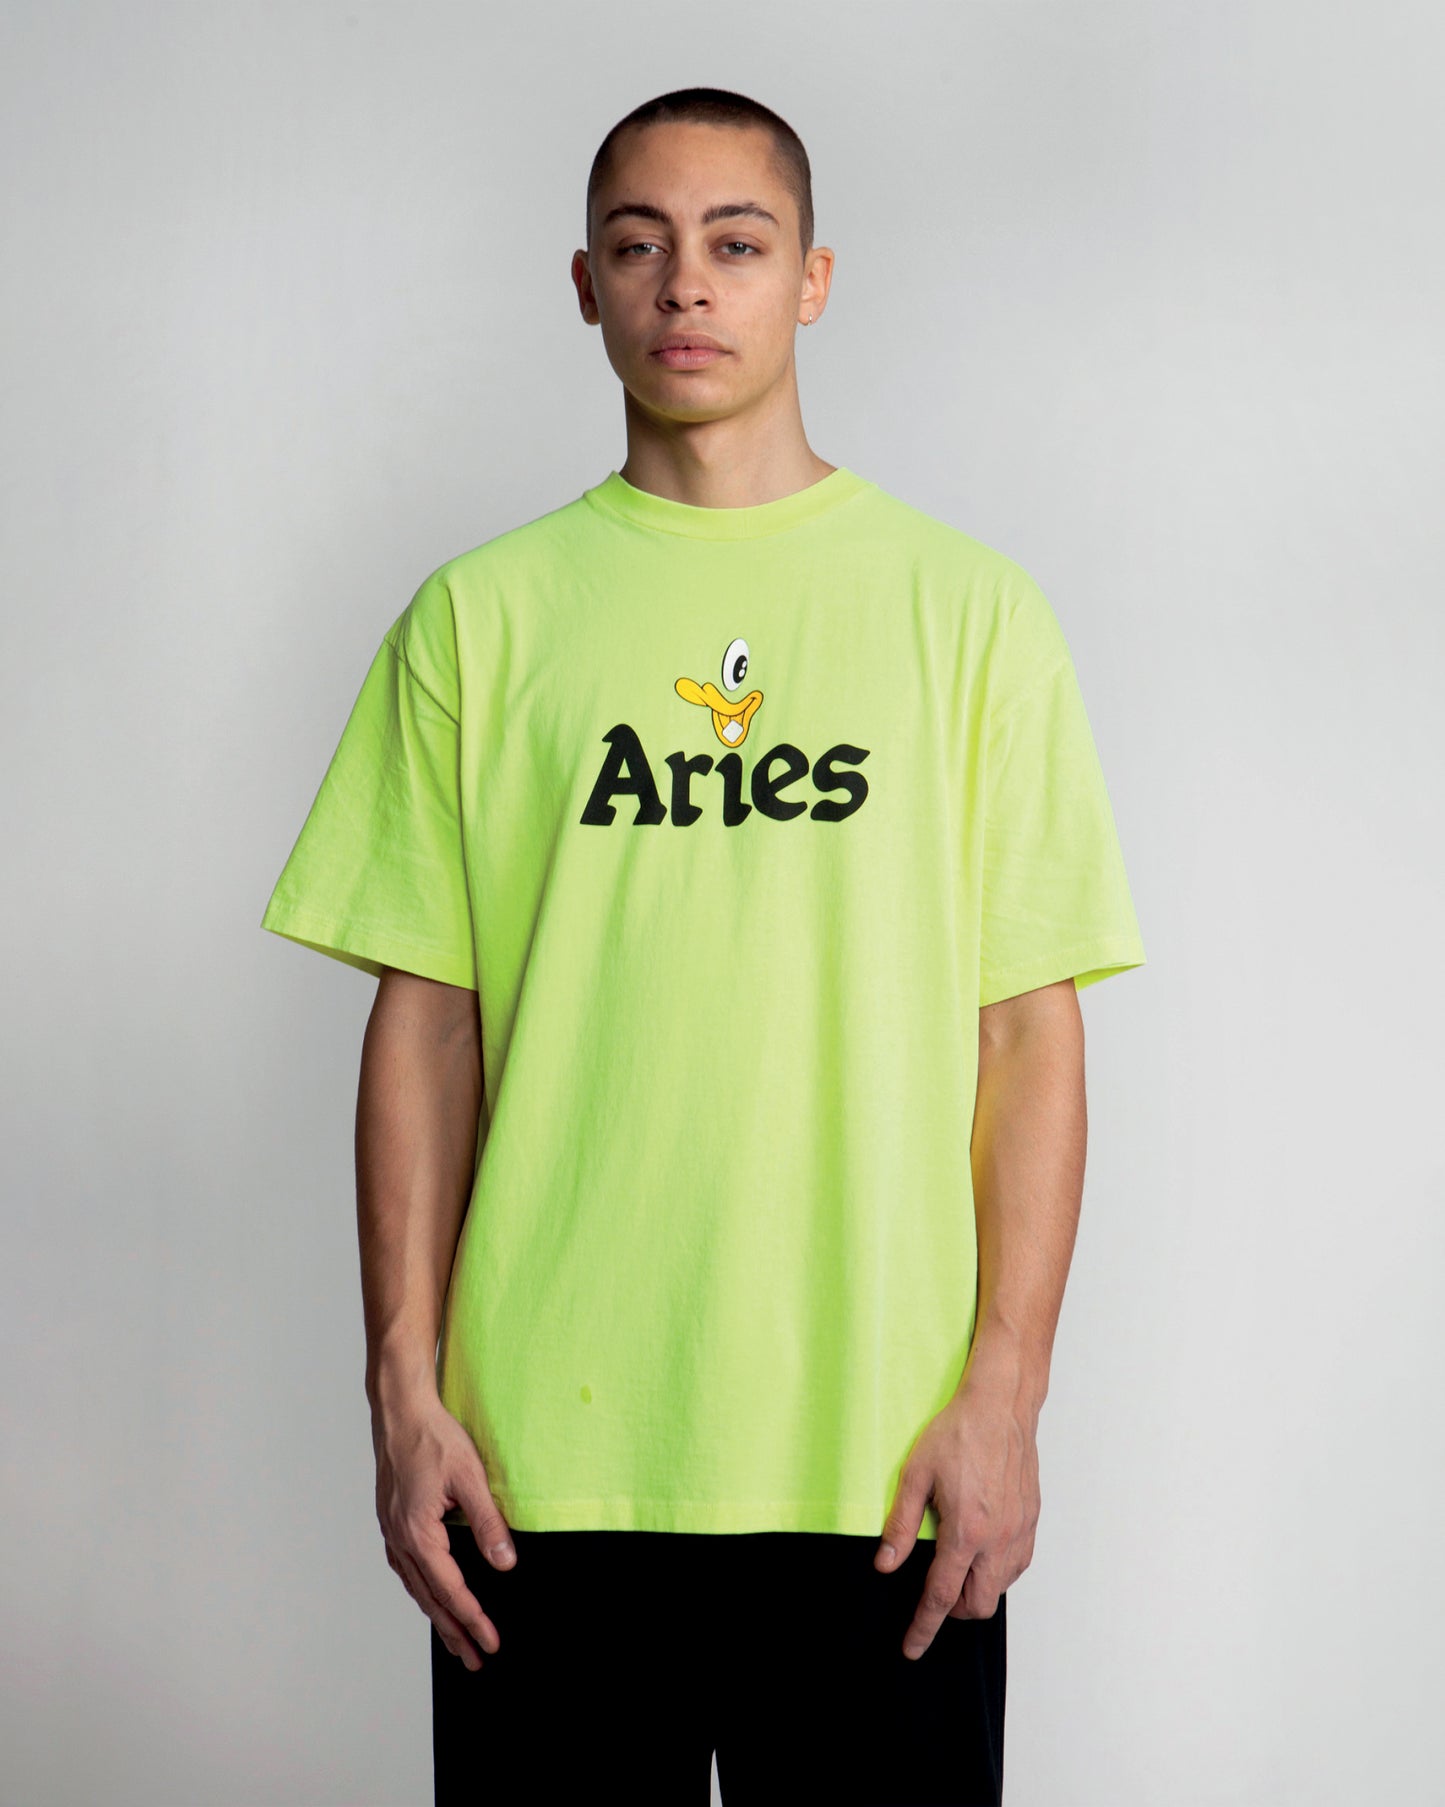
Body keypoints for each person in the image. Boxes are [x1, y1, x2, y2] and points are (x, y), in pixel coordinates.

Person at [261, 85, 1146, 1806]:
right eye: (639, 245)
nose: (684, 283)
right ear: (583, 285)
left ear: (810, 280)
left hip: (881, 1468)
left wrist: (1007, 1395)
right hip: (537, 1475)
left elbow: (1026, 1034)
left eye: (734, 245)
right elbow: (423, 1027)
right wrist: (402, 1390)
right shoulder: (480, 619)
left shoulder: (969, 614)